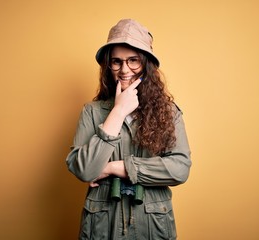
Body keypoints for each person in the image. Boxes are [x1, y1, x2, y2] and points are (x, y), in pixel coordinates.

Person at [66, 19, 192, 240]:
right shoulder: (92, 112)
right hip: (103, 226)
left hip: (152, 226)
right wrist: (118, 111)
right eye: (116, 62)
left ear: (146, 64)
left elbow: (179, 168)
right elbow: (84, 170)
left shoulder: (169, 112)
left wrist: (114, 167)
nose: (124, 70)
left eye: (133, 60)